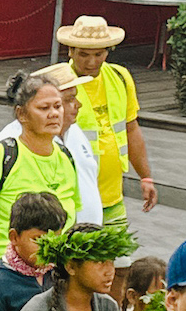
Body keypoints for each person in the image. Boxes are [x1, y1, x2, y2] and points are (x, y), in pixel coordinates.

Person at [0, 69, 82, 262]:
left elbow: (72, 223)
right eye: (43, 108)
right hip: (0, 275)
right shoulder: (1, 156)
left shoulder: (66, 158)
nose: (53, 114)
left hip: (51, 277)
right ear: (21, 114)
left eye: (57, 106)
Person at [58, 14, 156, 226]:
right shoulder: (59, 83)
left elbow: (131, 129)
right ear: (70, 50)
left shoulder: (120, 77)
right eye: (83, 54)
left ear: (108, 52)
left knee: (117, 260)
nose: (91, 62)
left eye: (98, 54)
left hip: (112, 197)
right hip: (72, 201)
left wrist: (145, 177)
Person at [0, 191, 66, 311]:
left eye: (54, 239)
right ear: (14, 237)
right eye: (38, 239)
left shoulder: (60, 273)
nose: (46, 248)